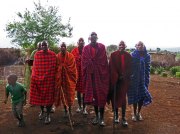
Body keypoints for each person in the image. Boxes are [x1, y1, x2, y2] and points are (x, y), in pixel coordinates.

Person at [82, 32, 109, 126]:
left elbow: (104, 62)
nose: (93, 39)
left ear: (97, 38)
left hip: (101, 76)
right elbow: (84, 62)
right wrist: (90, 65)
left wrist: (103, 73)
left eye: (95, 38)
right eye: (92, 38)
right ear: (89, 39)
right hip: (91, 77)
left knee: (101, 96)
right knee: (95, 98)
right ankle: (97, 117)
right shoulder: (86, 49)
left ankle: (102, 118)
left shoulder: (102, 47)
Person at [29, 40, 57, 124]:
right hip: (39, 80)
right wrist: (34, 76)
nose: (44, 46)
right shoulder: (37, 54)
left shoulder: (52, 55)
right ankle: (42, 111)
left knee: (49, 99)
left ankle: (48, 115)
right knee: (40, 97)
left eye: (45, 45)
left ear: (48, 46)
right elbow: (35, 67)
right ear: (40, 46)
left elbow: (54, 67)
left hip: (49, 81)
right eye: (42, 45)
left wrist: (52, 77)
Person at [108, 41, 132, 127]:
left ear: (125, 46)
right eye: (120, 45)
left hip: (124, 81)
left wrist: (124, 76)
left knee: (123, 99)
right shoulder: (113, 55)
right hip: (116, 80)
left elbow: (130, 68)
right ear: (118, 46)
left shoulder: (128, 56)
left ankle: (124, 117)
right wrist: (117, 76)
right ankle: (116, 116)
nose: (121, 46)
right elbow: (111, 67)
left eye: (123, 45)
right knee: (115, 98)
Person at [127, 41, 152, 121]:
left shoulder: (147, 56)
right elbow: (129, 66)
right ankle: (133, 113)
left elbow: (148, 67)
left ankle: (139, 113)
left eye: (141, 45)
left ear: (143, 46)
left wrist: (146, 77)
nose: (140, 46)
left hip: (144, 79)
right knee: (135, 96)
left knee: (141, 96)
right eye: (138, 45)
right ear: (136, 46)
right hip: (134, 79)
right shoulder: (133, 55)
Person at [54, 42, 77, 119]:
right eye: (62, 46)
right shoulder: (57, 57)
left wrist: (64, 67)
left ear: (66, 48)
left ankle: (70, 110)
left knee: (69, 95)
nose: (63, 47)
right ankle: (65, 110)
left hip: (69, 80)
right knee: (63, 95)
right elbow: (56, 68)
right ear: (60, 48)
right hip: (60, 79)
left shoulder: (71, 56)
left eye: (64, 46)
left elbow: (73, 68)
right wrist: (61, 68)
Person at [71, 38, 88, 115]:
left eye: (82, 42)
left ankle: (84, 108)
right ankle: (79, 106)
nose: (81, 43)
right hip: (76, 74)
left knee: (84, 92)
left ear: (84, 43)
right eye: (79, 42)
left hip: (85, 74)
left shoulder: (87, 50)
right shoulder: (74, 51)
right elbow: (71, 62)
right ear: (77, 43)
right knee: (78, 91)